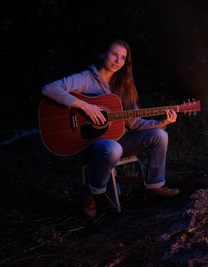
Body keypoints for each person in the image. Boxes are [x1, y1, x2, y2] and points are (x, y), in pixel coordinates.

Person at [41, 38, 180, 219]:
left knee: (160, 135)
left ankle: (155, 187)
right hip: (90, 144)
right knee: (113, 148)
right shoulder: (86, 78)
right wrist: (85, 106)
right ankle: (92, 194)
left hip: (119, 140)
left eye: (122, 58)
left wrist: (162, 122)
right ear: (103, 54)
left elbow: (135, 123)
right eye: (114, 54)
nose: (117, 61)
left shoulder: (125, 86)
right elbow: (49, 88)